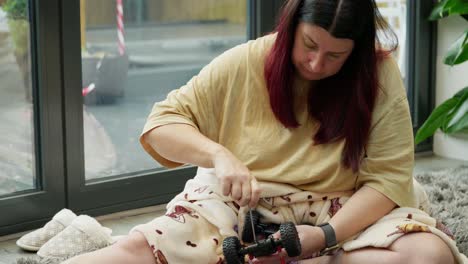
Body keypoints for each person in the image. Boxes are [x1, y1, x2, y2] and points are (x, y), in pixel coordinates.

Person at [64, 0, 466, 263]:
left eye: (335, 55)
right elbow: (161, 125)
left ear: (356, 52)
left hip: (339, 207)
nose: (315, 63)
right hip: (240, 201)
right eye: (308, 44)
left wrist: (324, 235)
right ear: (292, 26)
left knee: (428, 255)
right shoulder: (247, 60)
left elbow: (389, 179)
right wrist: (220, 156)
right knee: (135, 250)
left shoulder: (378, 73)